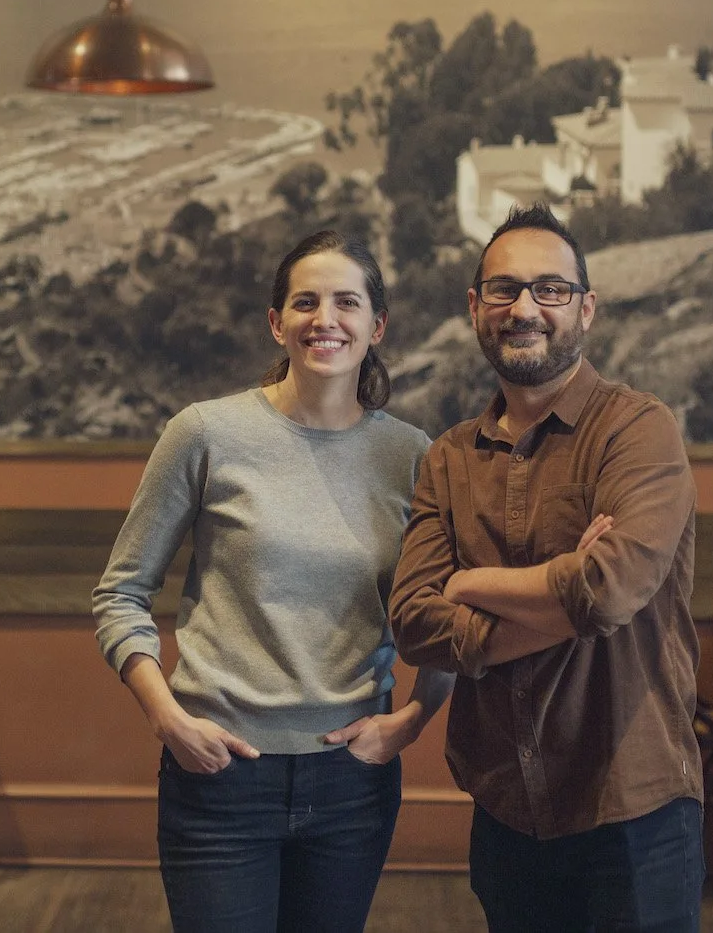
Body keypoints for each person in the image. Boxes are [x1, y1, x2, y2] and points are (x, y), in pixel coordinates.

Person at [93, 229, 454, 933]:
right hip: (220, 777)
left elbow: (443, 614)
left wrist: (412, 720)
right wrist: (166, 717)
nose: (326, 318)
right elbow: (121, 591)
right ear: (276, 321)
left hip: (353, 782)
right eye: (306, 301)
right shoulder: (204, 434)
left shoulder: (412, 456)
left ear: (376, 326)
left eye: (347, 302)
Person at [389, 203, 704, 933]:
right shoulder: (449, 458)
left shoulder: (637, 428)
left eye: (550, 289)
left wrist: (468, 585)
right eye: (503, 289)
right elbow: (412, 620)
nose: (524, 307)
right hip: (507, 811)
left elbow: (610, 589)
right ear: (476, 308)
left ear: (585, 308)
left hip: (633, 808)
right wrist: (567, 586)